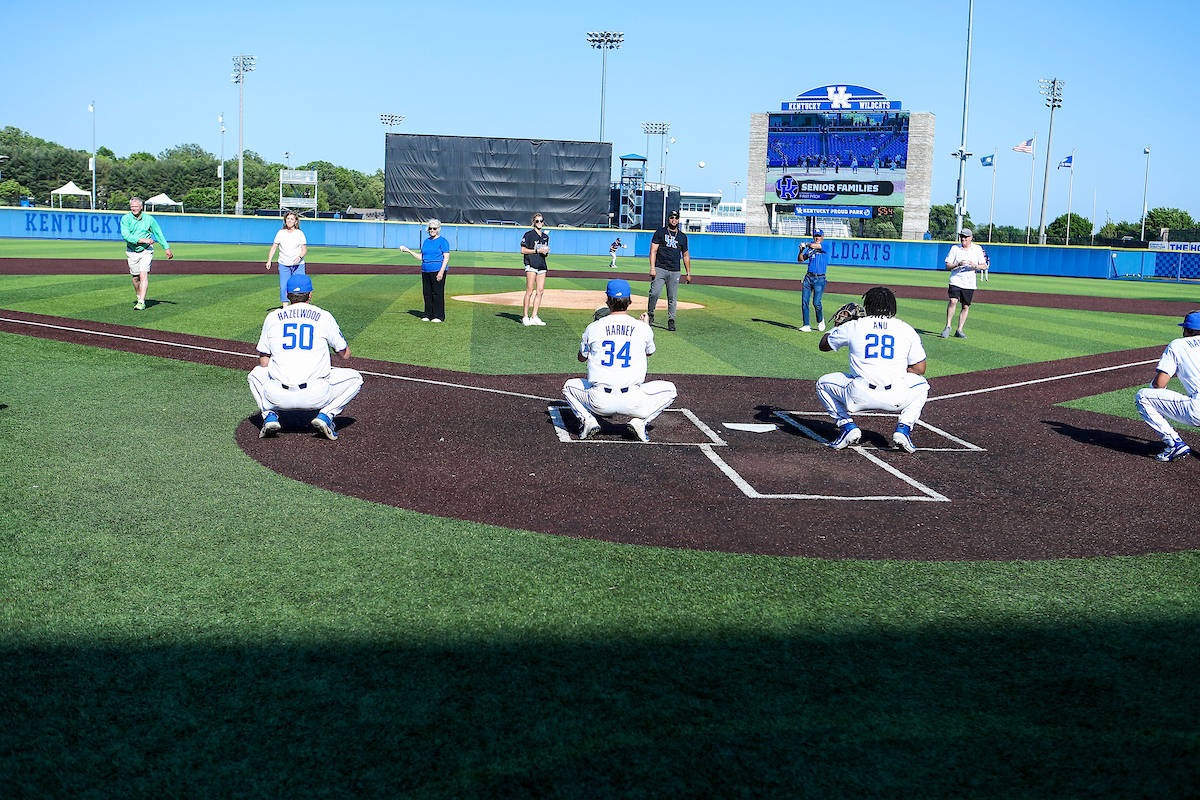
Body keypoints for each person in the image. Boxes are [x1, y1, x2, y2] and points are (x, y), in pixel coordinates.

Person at [247, 273, 363, 441]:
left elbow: (263, 361)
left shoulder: (272, 317)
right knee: (356, 379)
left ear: (287, 295)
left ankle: (269, 415)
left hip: (277, 395)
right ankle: (326, 416)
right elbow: (345, 354)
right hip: (316, 395)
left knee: (255, 374)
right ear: (310, 295)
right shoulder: (324, 316)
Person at [816, 286, 930, 453]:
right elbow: (920, 368)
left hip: (858, 396)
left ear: (867, 306)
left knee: (822, 384)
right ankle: (904, 428)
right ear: (893, 307)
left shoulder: (854, 326)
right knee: (922, 385)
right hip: (896, 398)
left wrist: (838, 328)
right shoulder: (906, 328)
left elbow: (823, 346)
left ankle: (847, 426)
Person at [562, 279, 678, 443]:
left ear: (608, 301)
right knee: (671, 390)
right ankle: (640, 422)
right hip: (633, 401)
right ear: (629, 301)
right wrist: (646, 326)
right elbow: (649, 353)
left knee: (568, 387)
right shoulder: (643, 328)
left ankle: (588, 420)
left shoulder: (593, 327)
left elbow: (581, 358)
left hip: (599, 401)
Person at [1134, 310, 1200, 462]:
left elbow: (1160, 384)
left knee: (1143, 396)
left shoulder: (1178, 344)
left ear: (1187, 330)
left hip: (1197, 410)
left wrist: (1154, 388)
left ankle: (1174, 443)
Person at [119, 196, 173, 310]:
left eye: (136, 206)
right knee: (135, 277)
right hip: (132, 250)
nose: (133, 209)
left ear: (141, 207)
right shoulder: (126, 218)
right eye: (132, 207)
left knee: (143, 274)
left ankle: (142, 301)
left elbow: (158, 233)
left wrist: (166, 248)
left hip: (146, 250)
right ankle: (139, 296)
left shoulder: (149, 219)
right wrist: (144, 240)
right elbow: (126, 235)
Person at [648, 210, 692, 332]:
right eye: (672, 217)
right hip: (660, 268)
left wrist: (688, 273)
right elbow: (653, 251)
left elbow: (686, 255)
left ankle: (671, 320)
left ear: (678, 220)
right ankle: (650, 314)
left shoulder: (682, 237)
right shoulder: (660, 232)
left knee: (672, 297)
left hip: (675, 270)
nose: (674, 220)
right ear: (668, 219)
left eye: (676, 218)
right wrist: (652, 268)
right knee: (654, 293)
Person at [399, 219, 450, 322]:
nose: (432, 230)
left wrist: (441, 272)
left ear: (438, 229)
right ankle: (428, 315)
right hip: (425, 270)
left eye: (434, 228)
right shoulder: (426, 241)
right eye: (430, 228)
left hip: (437, 270)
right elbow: (421, 256)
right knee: (427, 293)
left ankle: (438, 316)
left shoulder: (443, 241)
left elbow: (446, 257)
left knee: (437, 293)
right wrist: (408, 250)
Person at [941, 227, 987, 339]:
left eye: (966, 237)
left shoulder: (977, 249)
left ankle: (959, 330)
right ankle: (948, 326)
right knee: (953, 301)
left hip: (969, 282)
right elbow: (947, 265)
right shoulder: (955, 248)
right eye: (962, 236)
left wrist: (974, 266)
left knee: (965, 306)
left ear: (971, 238)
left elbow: (984, 265)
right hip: (956, 279)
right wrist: (958, 264)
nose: (963, 239)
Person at [266, 211, 308, 307]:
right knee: (284, 286)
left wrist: (299, 257)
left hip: (298, 265)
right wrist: (269, 261)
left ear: (296, 221)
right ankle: (285, 307)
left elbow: (304, 249)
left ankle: (299, 306)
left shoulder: (299, 233)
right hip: (284, 263)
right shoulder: (281, 233)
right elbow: (274, 247)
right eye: (288, 219)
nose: (289, 221)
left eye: (292, 219)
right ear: (285, 220)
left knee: (299, 285)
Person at [519, 213, 549, 326]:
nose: (540, 223)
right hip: (531, 265)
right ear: (533, 222)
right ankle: (525, 316)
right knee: (530, 291)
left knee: (540, 291)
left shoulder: (545, 237)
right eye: (537, 221)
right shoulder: (528, 235)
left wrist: (545, 252)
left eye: (541, 221)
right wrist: (537, 251)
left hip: (542, 265)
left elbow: (543, 253)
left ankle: (534, 316)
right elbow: (523, 250)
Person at [797, 229, 828, 332]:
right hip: (808, 277)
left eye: (819, 236)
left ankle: (820, 320)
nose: (817, 238)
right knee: (804, 301)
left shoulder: (826, 245)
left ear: (823, 237)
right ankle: (806, 324)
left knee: (816, 303)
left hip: (819, 278)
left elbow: (815, 246)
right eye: (816, 236)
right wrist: (801, 250)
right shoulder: (809, 249)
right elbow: (800, 260)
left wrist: (805, 244)